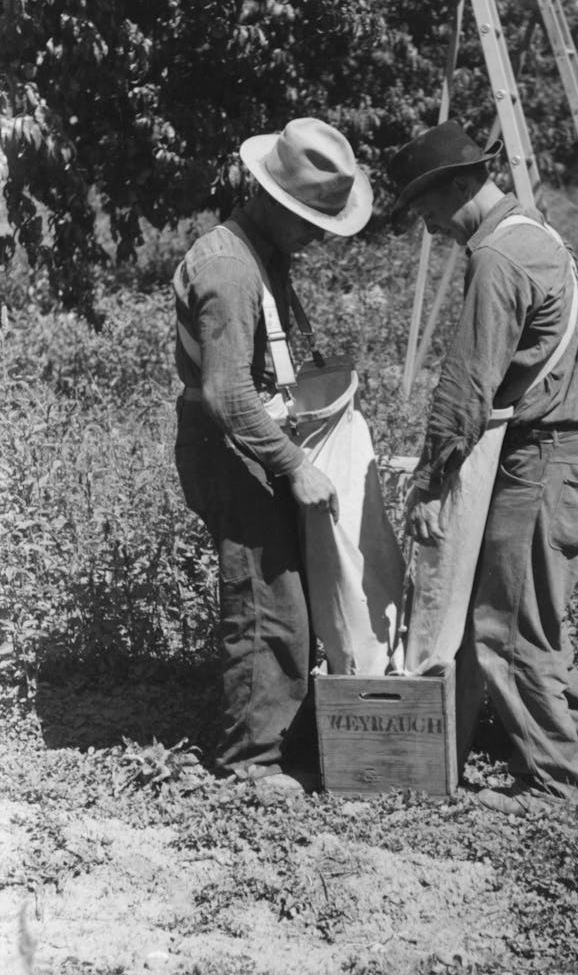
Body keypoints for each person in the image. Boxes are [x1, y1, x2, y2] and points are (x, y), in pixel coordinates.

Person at [389, 120, 578, 815]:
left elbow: (466, 386)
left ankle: (560, 788)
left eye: (427, 206)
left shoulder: (498, 258)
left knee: (506, 625)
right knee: (533, 611)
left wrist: (431, 483)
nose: (426, 225)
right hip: (570, 454)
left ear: (460, 186)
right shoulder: (533, 232)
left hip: (543, 461)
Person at [173, 118, 373, 789]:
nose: (317, 235)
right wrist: (295, 465)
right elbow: (228, 394)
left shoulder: (265, 253)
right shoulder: (229, 266)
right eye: (308, 220)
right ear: (268, 198)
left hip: (261, 441)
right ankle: (249, 762)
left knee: (288, 593)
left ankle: (281, 733)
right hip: (234, 451)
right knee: (265, 604)